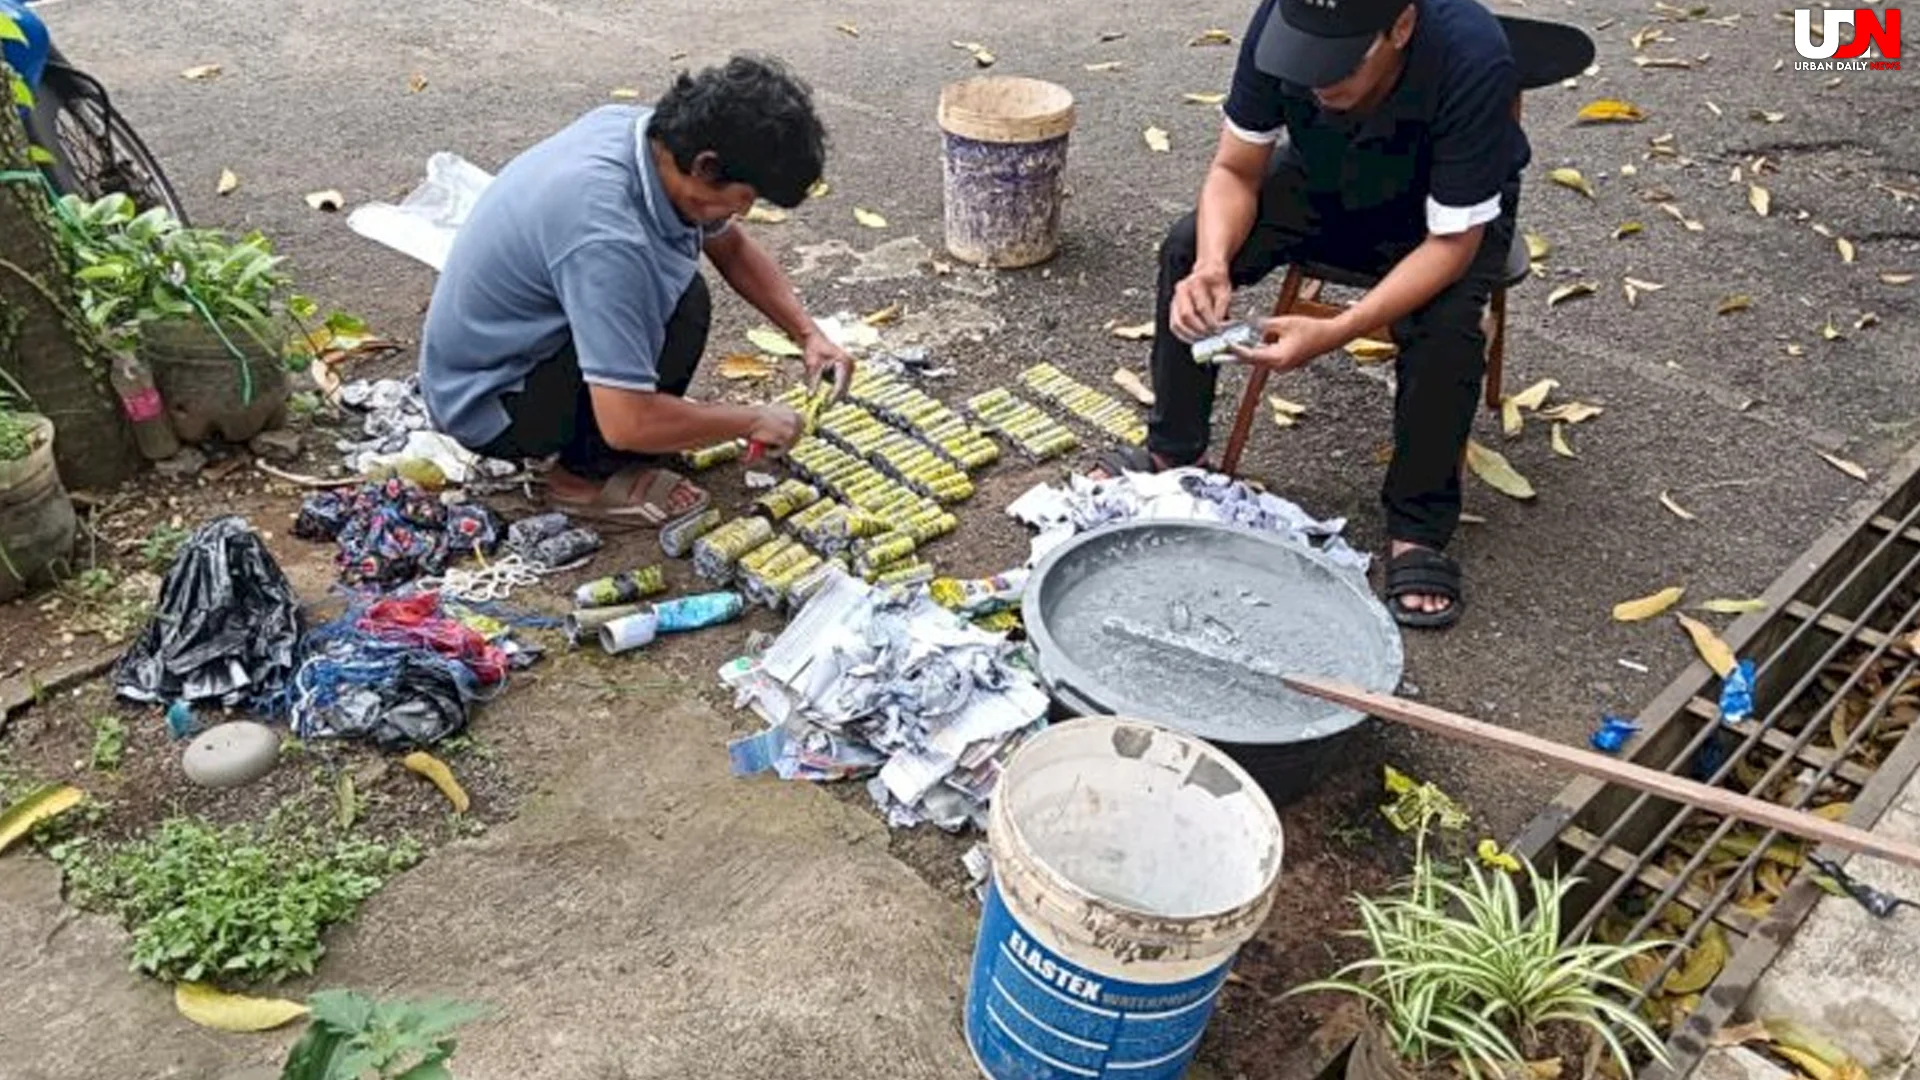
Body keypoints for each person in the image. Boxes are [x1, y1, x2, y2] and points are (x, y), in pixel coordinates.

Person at [1111, 0, 1528, 629]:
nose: (1317, 79)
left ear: (1402, 26)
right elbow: (1234, 169)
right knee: (1184, 246)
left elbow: (1452, 245)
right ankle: (1174, 451)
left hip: (1441, 216)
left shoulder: (1473, 54)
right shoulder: (1279, 24)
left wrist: (1337, 330)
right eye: (1304, 62)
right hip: (1326, 177)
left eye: (1340, 63)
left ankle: (1418, 528)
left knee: (1447, 329)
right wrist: (1212, 265)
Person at [419, 55, 851, 525]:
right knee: (655, 347)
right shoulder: (608, 237)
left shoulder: (647, 136)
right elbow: (628, 421)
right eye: (745, 197)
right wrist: (751, 419)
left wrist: (808, 334)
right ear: (707, 166)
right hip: (492, 398)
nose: (743, 212)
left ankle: (627, 433)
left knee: (685, 298)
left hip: (520, 341)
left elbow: (729, 245)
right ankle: (572, 480)